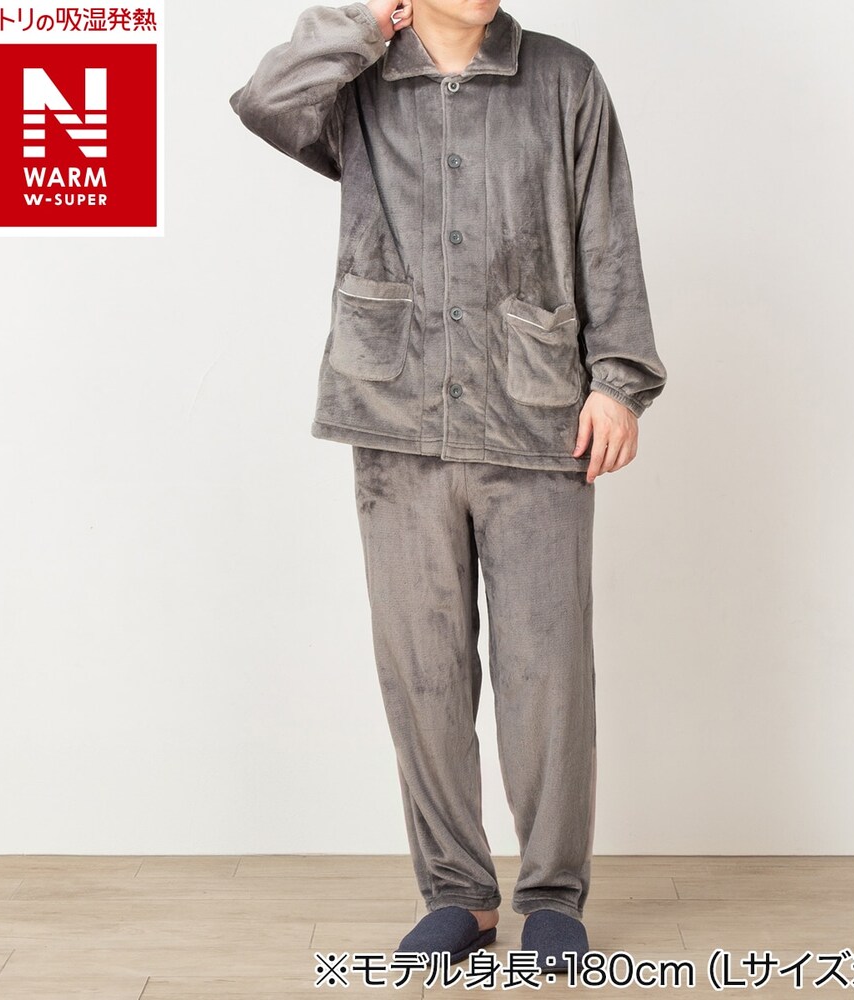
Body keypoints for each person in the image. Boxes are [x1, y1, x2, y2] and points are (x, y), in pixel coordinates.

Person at [229, 0, 667, 972]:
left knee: (547, 675)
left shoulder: (564, 79)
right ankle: (458, 895)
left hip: (537, 418)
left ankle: (551, 895)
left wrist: (618, 380)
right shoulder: (358, 79)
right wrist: (360, 21)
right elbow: (265, 101)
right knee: (421, 674)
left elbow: (607, 231)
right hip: (395, 418)